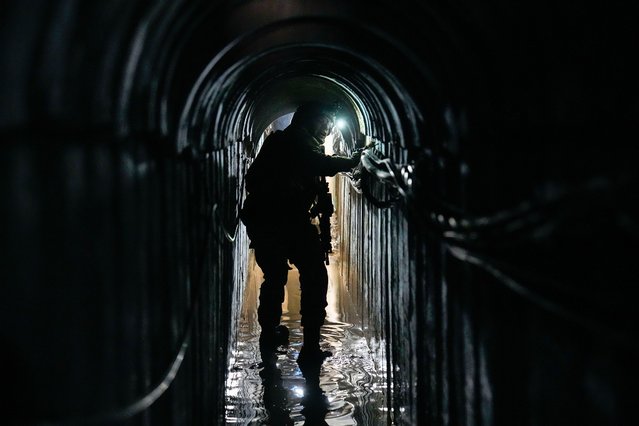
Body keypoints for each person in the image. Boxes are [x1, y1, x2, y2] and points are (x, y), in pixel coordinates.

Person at [240, 102, 360, 365]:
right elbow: (317, 163)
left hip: (275, 220)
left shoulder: (292, 142)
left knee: (280, 277)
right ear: (310, 121)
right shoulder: (290, 141)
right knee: (303, 275)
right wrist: (353, 161)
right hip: (277, 219)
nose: (328, 130)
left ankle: (280, 337)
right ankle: (301, 343)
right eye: (325, 123)